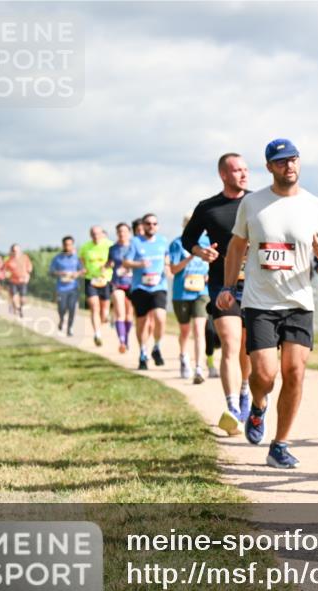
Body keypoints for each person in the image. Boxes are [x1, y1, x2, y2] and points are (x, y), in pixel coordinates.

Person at [217, 138, 318, 466]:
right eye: (281, 161)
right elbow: (236, 247)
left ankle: (280, 445)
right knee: (265, 375)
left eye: (294, 159)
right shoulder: (253, 204)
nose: (289, 166)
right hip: (260, 303)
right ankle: (258, 405)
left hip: (299, 302)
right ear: (269, 167)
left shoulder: (315, 206)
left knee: (295, 372)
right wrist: (227, 286)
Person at [182, 153, 253, 435]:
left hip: (256, 285)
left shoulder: (257, 203)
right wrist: (202, 251)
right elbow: (189, 239)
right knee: (230, 341)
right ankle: (233, 406)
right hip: (222, 284)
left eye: (246, 170)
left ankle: (246, 390)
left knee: (249, 346)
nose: (244, 175)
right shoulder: (208, 207)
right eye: (237, 170)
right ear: (224, 174)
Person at [122, 213, 170, 370]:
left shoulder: (163, 241)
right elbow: (125, 262)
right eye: (148, 223)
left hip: (159, 286)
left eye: (155, 223)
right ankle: (143, 352)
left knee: (160, 317)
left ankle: (156, 347)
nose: (152, 226)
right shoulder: (135, 242)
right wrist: (139, 264)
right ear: (142, 225)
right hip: (140, 287)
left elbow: (167, 259)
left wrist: (168, 268)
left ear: (158, 226)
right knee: (142, 322)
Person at [169, 212, 211, 383]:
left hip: (202, 291)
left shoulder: (207, 243)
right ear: (185, 225)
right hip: (181, 292)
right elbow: (173, 270)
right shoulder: (177, 244)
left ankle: (199, 368)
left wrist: (210, 275)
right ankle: (184, 357)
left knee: (199, 329)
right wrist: (191, 257)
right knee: (185, 330)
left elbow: (212, 264)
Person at [80, 226, 114, 347]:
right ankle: (97, 334)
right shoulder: (85, 246)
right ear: (90, 234)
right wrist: (83, 267)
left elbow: (115, 259)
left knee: (104, 312)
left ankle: (105, 319)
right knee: (94, 307)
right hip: (91, 280)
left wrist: (108, 265)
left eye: (97, 233)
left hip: (106, 280)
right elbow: (81, 258)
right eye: (93, 234)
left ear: (102, 234)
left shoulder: (110, 245)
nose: (95, 236)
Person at [48, 236, 85, 336]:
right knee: (62, 308)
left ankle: (70, 328)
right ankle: (61, 319)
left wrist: (77, 274)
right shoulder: (57, 258)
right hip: (61, 288)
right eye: (66, 244)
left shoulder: (77, 258)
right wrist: (60, 273)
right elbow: (51, 271)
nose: (68, 246)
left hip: (73, 287)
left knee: (72, 308)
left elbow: (83, 270)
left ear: (72, 245)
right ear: (63, 245)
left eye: (70, 244)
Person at [107, 222, 135, 353]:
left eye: (124, 231)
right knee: (120, 312)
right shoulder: (113, 248)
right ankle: (122, 342)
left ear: (129, 232)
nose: (121, 234)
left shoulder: (134, 247)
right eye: (119, 231)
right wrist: (105, 267)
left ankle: (127, 338)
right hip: (117, 283)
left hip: (132, 283)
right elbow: (109, 263)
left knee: (129, 315)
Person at [2, 244, 33, 317]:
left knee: (23, 300)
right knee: (14, 297)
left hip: (23, 281)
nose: (16, 252)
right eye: (14, 250)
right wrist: (6, 275)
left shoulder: (25, 257)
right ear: (12, 251)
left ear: (20, 250)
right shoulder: (9, 260)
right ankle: (17, 309)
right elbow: (5, 270)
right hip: (13, 281)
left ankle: (20, 308)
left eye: (17, 250)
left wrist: (28, 275)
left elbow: (29, 268)